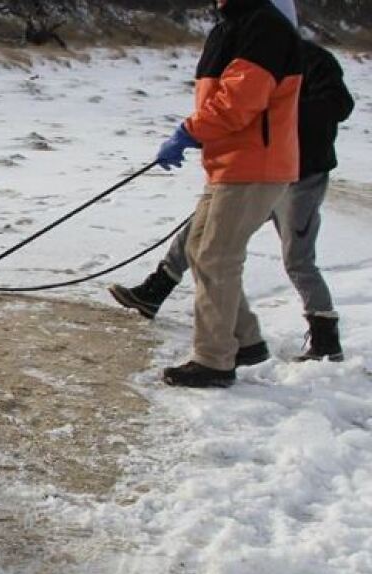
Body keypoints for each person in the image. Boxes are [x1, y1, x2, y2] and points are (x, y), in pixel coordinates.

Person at [109, 37, 354, 367]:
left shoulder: (312, 59)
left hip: (301, 176)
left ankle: (325, 338)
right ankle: (154, 292)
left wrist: (275, 116)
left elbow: (339, 105)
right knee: (201, 228)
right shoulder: (249, 57)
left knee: (297, 259)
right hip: (255, 169)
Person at [137, 0, 303, 388]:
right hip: (230, 163)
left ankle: (214, 360)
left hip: (254, 165)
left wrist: (190, 131)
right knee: (199, 250)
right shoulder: (234, 24)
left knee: (216, 256)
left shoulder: (264, 26)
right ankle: (244, 341)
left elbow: (239, 101)